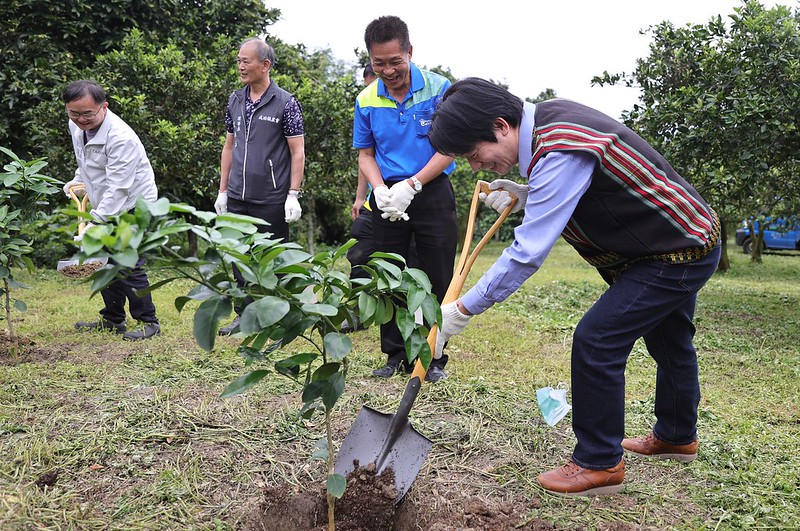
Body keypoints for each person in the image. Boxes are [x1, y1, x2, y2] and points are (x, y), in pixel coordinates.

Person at [427, 78, 721, 495]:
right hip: (677, 237)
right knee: (669, 338)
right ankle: (677, 436)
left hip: (676, 250)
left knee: (597, 338)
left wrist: (463, 310)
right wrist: (529, 194)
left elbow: (526, 254)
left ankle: (599, 463)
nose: (476, 165)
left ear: (501, 126)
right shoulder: (550, 121)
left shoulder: (559, 147)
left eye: (475, 154)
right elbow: (585, 184)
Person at [353, 16, 457, 382]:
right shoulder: (366, 99)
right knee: (388, 273)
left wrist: (413, 185)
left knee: (437, 274)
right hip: (387, 198)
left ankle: (433, 357)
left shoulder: (439, 88)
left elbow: (450, 146)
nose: (388, 70)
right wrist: (380, 189)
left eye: (395, 61)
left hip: (430, 191)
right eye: (379, 63)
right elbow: (365, 154)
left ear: (409, 52)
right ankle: (395, 355)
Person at [216, 37, 306, 336]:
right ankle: (243, 315)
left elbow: (297, 152)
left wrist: (293, 194)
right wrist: (223, 190)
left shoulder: (286, 102)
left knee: (272, 258)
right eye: (239, 60)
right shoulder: (235, 99)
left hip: (271, 197)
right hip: (239, 195)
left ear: (265, 65)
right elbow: (229, 146)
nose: (241, 66)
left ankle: (275, 316)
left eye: (246, 61)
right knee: (239, 258)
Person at [62, 80, 161, 341]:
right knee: (103, 261)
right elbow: (85, 158)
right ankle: (113, 319)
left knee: (126, 261)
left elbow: (119, 189)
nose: (81, 119)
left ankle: (148, 321)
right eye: (74, 113)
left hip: (134, 203)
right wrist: (78, 179)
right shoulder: (77, 125)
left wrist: (95, 222)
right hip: (108, 201)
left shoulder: (121, 138)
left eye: (87, 114)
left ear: (103, 107)